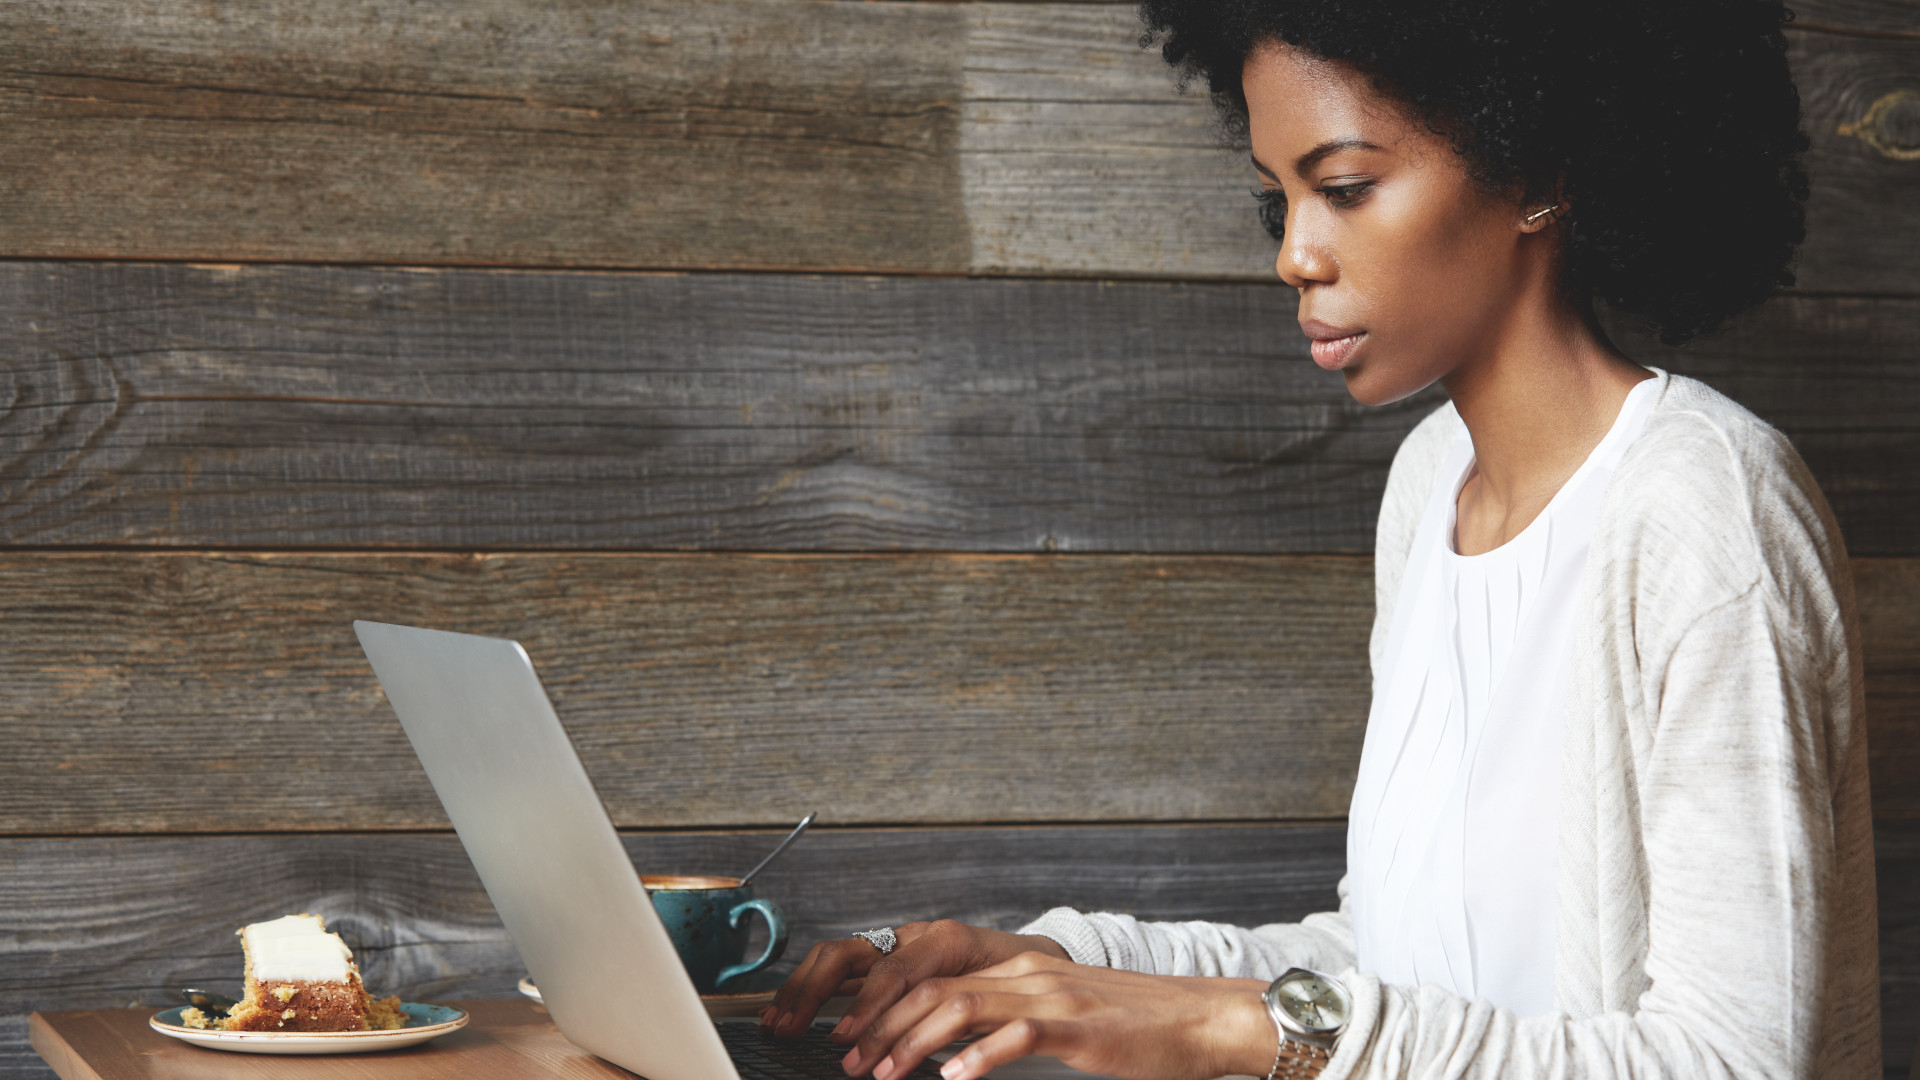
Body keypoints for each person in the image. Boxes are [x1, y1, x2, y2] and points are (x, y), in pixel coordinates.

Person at [761, 0, 1881, 1076]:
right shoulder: (1429, 485)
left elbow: (1729, 1060)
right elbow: (1396, 976)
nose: (1296, 255)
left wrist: (1226, 1032)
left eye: (1344, 188)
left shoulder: (1704, 507)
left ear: (1539, 172)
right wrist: (1049, 966)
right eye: (1276, 203)